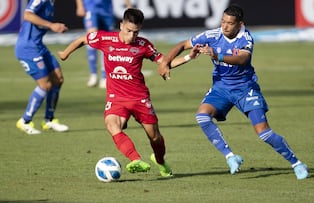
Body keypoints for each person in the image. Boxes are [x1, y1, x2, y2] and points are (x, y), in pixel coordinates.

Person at [158, 5, 309, 180]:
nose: (225, 26)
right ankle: (231, 157)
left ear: (239, 24)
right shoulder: (212, 35)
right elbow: (183, 44)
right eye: (223, 21)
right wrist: (165, 62)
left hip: (245, 89)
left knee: (263, 132)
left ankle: (297, 163)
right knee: (202, 116)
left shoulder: (245, 37)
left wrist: (218, 56)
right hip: (221, 88)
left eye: (230, 23)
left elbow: (242, 58)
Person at [58, 8, 198, 177]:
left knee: (155, 137)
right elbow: (82, 40)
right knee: (112, 125)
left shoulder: (143, 45)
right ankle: (135, 160)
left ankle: (160, 160)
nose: (132, 36)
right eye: (129, 31)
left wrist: (189, 57)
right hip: (116, 97)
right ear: (121, 25)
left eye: (136, 32)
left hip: (139, 98)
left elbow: (165, 63)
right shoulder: (105, 38)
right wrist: (65, 54)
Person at [15, 0, 69, 135]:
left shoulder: (51, 3)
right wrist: (51, 25)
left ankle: (48, 120)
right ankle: (25, 121)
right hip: (28, 49)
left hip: (39, 47)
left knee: (58, 79)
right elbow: (27, 15)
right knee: (45, 85)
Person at [75, 0, 132, 88]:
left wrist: (129, 5)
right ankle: (93, 74)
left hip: (106, 9)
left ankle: (104, 76)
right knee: (92, 37)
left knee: (107, 42)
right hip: (91, 7)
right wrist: (80, 5)